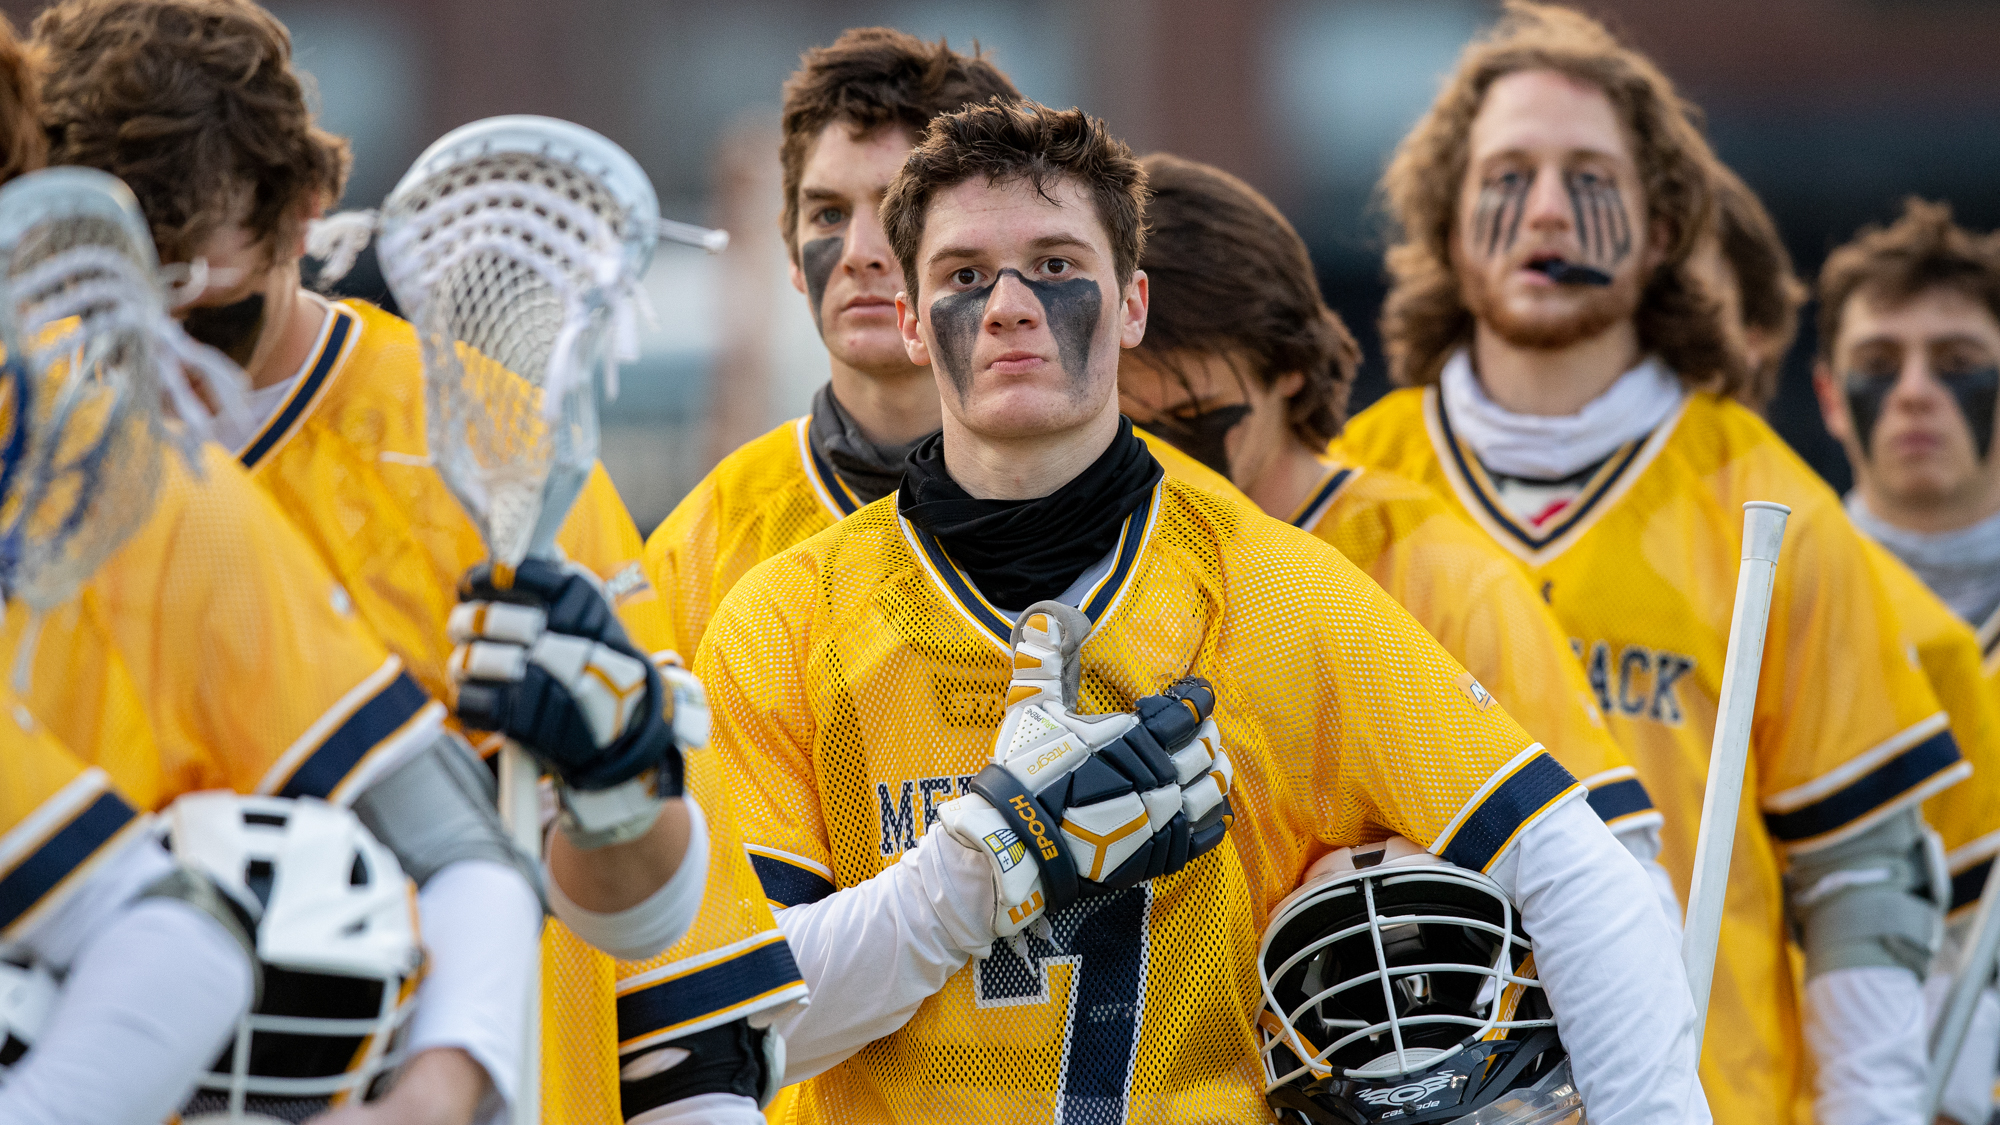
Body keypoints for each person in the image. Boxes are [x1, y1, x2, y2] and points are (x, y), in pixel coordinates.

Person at [703, 97, 1705, 1123]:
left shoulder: (1275, 591)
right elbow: (726, 1032)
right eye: (964, 276)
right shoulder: (789, 616)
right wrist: (989, 863)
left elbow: (1586, 879)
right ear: (912, 321)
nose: (1007, 305)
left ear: (1130, 305)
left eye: (1054, 266)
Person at [32, 1, 802, 1121]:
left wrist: (617, 782)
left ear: (306, 213)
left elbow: (665, 968)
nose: (161, 375)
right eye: (105, 316)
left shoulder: (485, 460)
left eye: (201, 322)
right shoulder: (38, 472)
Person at [1330, 5, 1965, 1123]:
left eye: (1587, 174)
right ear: (1444, 214)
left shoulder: (1766, 500)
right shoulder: (1347, 493)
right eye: (1505, 172)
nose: (1540, 209)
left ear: (1663, 226)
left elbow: (1858, 879)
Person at [1117, 151, 1678, 920]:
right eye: (1125, 429)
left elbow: (1616, 873)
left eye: (1187, 421)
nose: (1161, 460)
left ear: (1285, 368)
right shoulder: (1109, 564)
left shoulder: (1431, 566)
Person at [641, 27, 1246, 667]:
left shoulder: (1204, 535)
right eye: (827, 215)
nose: (861, 254)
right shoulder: (706, 539)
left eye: (894, 206)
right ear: (790, 253)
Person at [1811, 198, 2000, 1125]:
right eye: (1880, 364)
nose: (1918, 390)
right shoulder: (1764, 609)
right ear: (1829, 395)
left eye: (1958, 363)